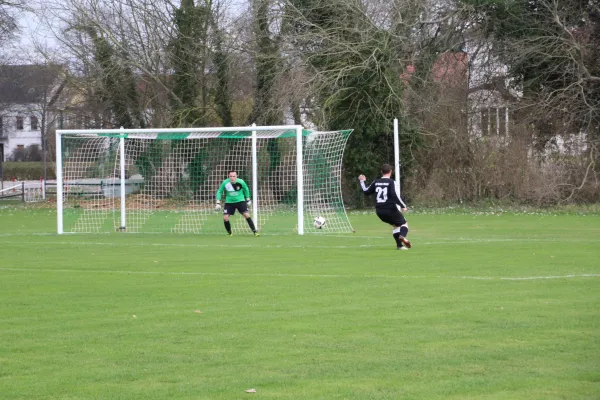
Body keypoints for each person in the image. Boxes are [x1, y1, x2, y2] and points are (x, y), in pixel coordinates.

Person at [359, 164, 411, 250]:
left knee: (396, 225)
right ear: (391, 171)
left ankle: (399, 246)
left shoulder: (376, 182)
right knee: (404, 223)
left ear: (381, 172)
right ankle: (402, 237)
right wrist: (403, 206)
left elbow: (366, 191)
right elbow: (395, 196)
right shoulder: (391, 182)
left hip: (379, 211)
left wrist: (362, 181)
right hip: (390, 209)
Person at [215, 170, 259, 236]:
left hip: (240, 201)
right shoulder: (225, 182)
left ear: (236, 176)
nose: (232, 177)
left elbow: (246, 189)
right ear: (228, 176)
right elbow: (219, 191)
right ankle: (229, 233)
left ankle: (255, 231)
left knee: (246, 215)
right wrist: (218, 202)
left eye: (234, 176)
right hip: (229, 202)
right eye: (231, 176)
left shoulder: (241, 182)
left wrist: (248, 199)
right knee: (225, 218)